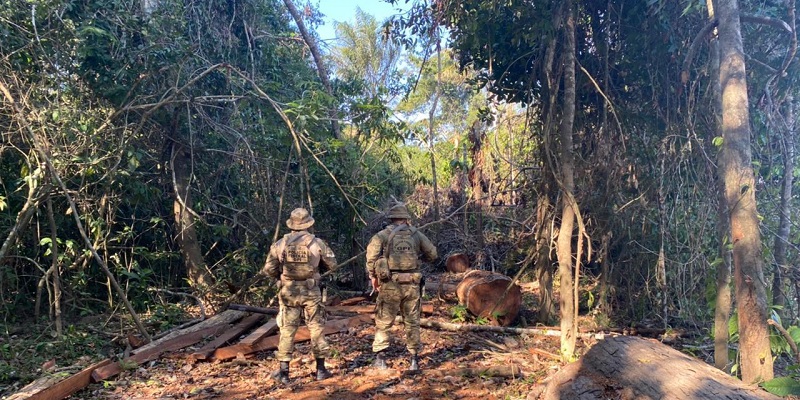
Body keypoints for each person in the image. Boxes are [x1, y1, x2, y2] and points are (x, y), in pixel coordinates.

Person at [262, 207, 338, 384]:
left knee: (287, 330)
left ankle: (284, 373)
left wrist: (281, 277)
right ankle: (320, 370)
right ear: (308, 223)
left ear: (292, 224)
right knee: (316, 329)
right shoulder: (317, 243)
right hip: (311, 291)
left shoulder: (280, 244)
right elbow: (332, 264)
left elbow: (269, 269)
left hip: (288, 292)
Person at [365, 203, 438, 372]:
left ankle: (381, 359)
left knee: (384, 321)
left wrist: (373, 276)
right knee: (412, 322)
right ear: (406, 219)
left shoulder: (382, 235)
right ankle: (414, 360)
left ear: (391, 219)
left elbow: (371, 258)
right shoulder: (416, 235)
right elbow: (433, 254)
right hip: (412, 284)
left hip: (390, 284)